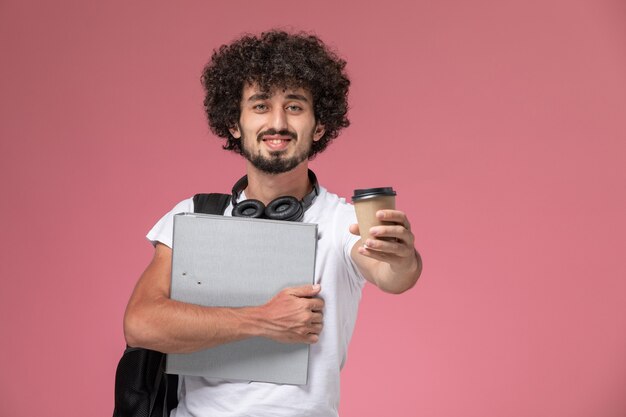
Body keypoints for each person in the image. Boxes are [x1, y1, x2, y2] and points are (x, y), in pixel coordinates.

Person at [123, 30, 422, 417]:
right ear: (235, 123)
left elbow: (393, 275)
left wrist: (402, 257)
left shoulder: (340, 222)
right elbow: (141, 323)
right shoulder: (191, 216)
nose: (278, 123)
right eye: (261, 106)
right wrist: (262, 321)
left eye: (295, 106)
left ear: (318, 126)